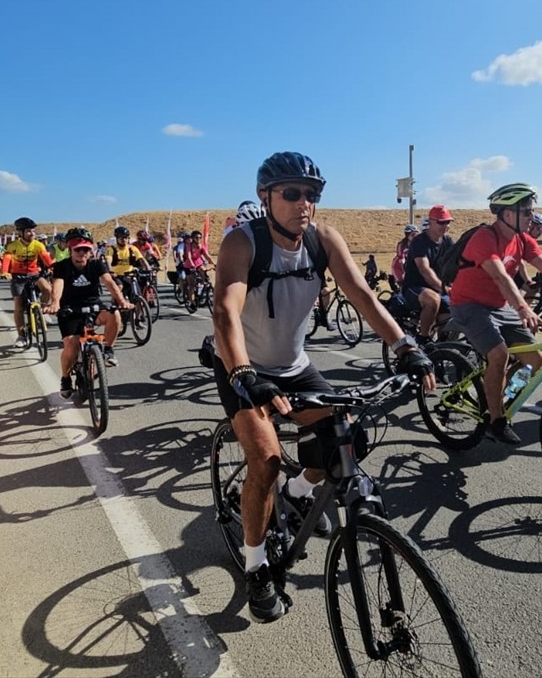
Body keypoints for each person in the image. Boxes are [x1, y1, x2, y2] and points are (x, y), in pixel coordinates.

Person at [210, 151, 435, 623]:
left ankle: (297, 489)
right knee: (266, 461)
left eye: (311, 194)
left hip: (294, 366)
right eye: (291, 193)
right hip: (243, 366)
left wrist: (405, 347)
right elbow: (226, 312)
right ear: (266, 196)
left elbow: (363, 296)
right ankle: (256, 566)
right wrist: (243, 374)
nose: (303, 203)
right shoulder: (241, 243)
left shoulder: (323, 240)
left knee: (346, 440)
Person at [449, 183, 542, 443]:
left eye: (531, 211)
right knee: (499, 354)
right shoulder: (484, 238)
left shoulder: (522, 239)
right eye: (526, 212)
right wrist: (522, 308)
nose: (531, 217)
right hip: (468, 304)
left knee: (536, 360)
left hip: (499, 307)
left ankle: (498, 394)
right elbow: (499, 276)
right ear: (508, 214)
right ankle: (495, 420)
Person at [45, 228, 132, 396]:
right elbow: (58, 286)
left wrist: (122, 301)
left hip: (93, 308)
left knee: (114, 314)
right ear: (70, 250)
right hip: (70, 311)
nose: (82, 253)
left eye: (86, 249)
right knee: (71, 346)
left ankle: (108, 351)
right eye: (78, 249)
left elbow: (110, 283)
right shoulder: (62, 267)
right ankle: (65, 378)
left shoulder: (96, 264)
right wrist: (55, 304)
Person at [401, 204, 454, 341]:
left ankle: (443, 347)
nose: (445, 226)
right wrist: (444, 288)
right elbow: (425, 270)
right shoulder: (420, 242)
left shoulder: (447, 241)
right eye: (441, 222)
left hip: (437, 288)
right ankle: (424, 338)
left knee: (451, 311)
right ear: (430, 222)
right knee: (432, 300)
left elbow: (458, 263)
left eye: (448, 222)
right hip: (415, 287)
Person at [0, 217, 55, 348]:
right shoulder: (12, 246)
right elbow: (7, 259)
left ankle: (40, 310)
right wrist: (5, 272)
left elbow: (47, 259)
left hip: (34, 275)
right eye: (29, 231)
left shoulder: (38, 245)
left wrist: (54, 267)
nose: (32, 234)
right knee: (19, 306)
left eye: (33, 231)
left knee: (48, 289)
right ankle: (21, 335)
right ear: (21, 233)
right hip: (18, 277)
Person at [181, 229, 216, 308]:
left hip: (198, 264)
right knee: (192, 284)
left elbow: (208, 256)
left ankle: (202, 291)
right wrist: (192, 265)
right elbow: (189, 257)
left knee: (205, 276)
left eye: (200, 237)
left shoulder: (201, 246)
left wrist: (214, 264)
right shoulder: (189, 246)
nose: (199, 239)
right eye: (197, 237)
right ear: (193, 238)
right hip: (189, 266)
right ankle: (192, 302)